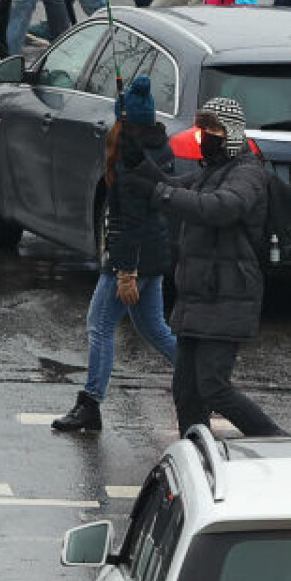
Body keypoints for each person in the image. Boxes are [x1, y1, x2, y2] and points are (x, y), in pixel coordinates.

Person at [121, 98, 288, 438]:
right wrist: (139, 162)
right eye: (202, 131)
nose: (204, 139)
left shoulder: (247, 173)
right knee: (186, 391)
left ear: (232, 135)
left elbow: (219, 208)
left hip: (229, 294)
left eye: (212, 132)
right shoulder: (211, 170)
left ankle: (278, 442)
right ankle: (196, 454)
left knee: (213, 386)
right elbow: (180, 187)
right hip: (198, 295)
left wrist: (159, 194)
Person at [52, 77, 178, 433]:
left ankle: (90, 404)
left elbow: (129, 220)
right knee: (153, 328)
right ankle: (198, 377)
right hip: (152, 253)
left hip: (133, 257)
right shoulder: (157, 149)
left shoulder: (129, 161)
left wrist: (125, 271)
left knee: (100, 326)